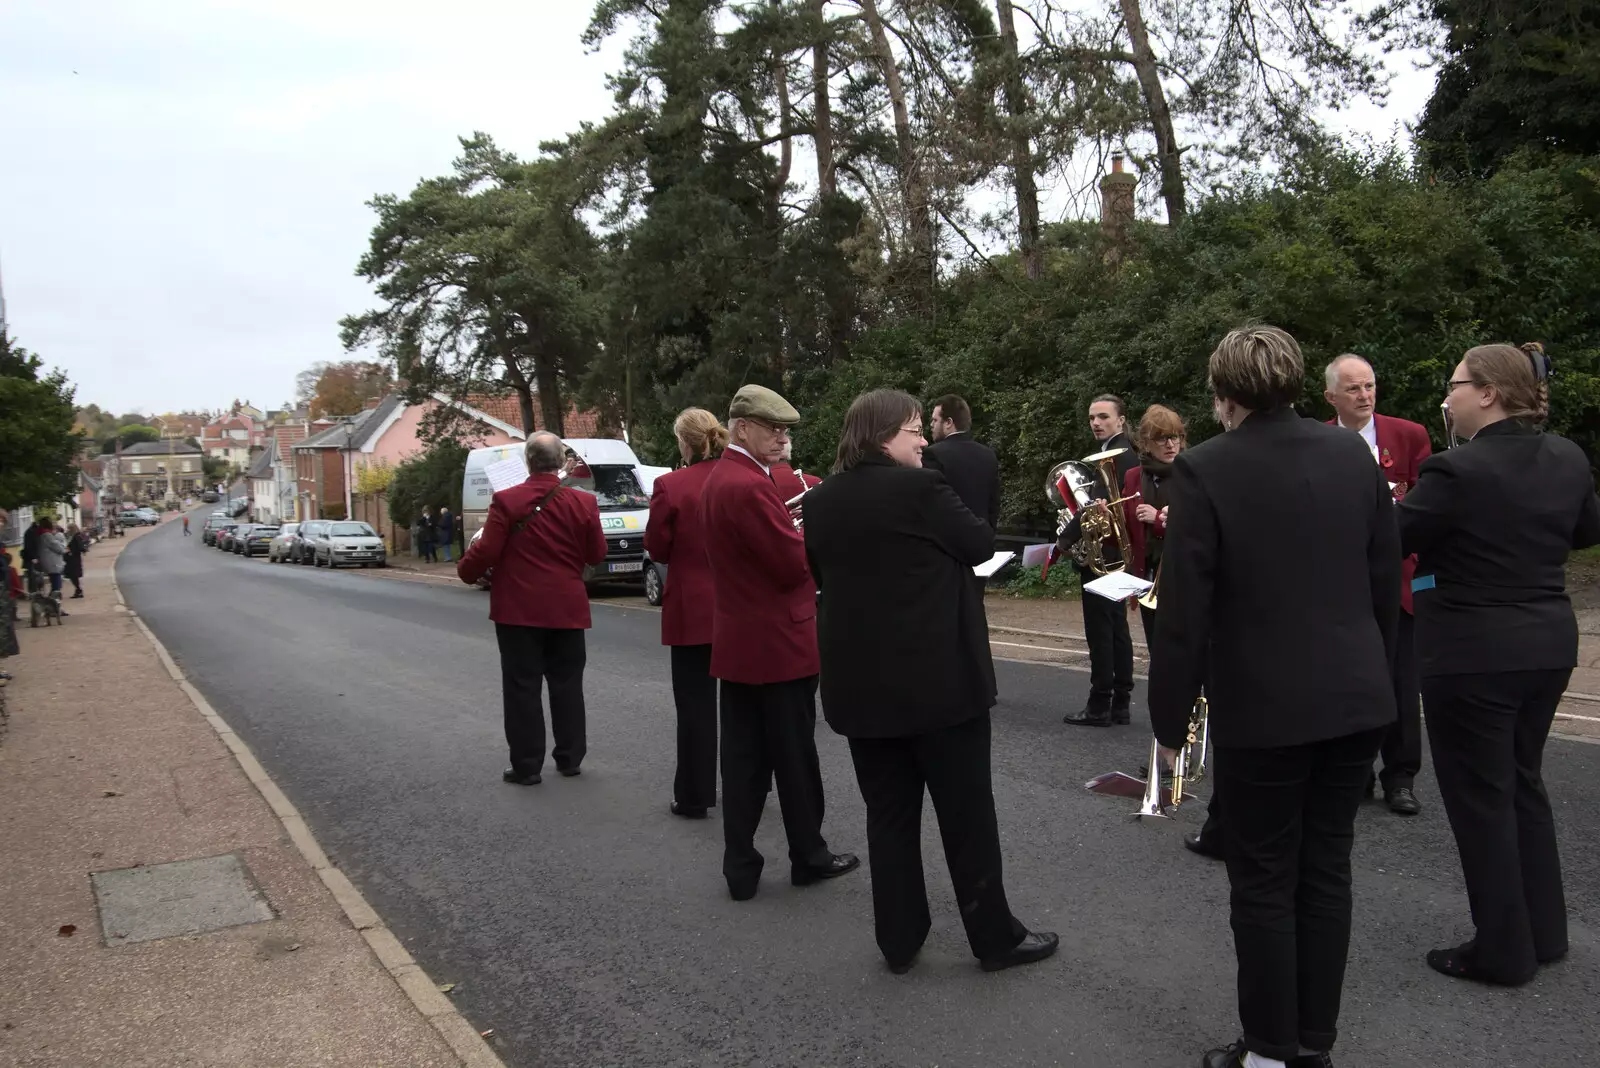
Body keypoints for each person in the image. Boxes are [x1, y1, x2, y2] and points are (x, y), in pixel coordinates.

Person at [1150, 325, 1400, 1068]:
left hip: (1264, 706)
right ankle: (1313, 1043)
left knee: (1263, 878)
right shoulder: (1351, 458)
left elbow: (1185, 612)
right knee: (1326, 870)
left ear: (1224, 393)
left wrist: (1170, 724)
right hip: (1355, 694)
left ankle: (1267, 1049)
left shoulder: (1204, 469)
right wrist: (1378, 680)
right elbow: (1383, 581)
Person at [805, 389, 1058, 975]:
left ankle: (898, 939)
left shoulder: (819, 503)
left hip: (863, 690)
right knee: (967, 816)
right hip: (941, 686)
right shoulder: (921, 489)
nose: (924, 441)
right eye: (915, 430)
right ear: (883, 435)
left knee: (888, 817)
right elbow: (977, 544)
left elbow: (825, 576)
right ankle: (994, 937)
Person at [1399, 342, 1598, 986]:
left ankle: (1503, 951)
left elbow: (1392, 537)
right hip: (1548, 643)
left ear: (1487, 392)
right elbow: (1585, 529)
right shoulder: (1566, 455)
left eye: (1453, 386)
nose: (1447, 399)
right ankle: (1545, 932)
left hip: (1471, 653)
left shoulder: (1456, 473)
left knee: (1482, 799)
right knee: (1523, 785)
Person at [700, 384, 858, 901]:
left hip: (741, 641)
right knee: (794, 759)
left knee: (743, 760)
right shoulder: (747, 483)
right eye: (774, 429)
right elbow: (790, 564)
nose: (782, 438)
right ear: (743, 427)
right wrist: (809, 531)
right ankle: (808, 856)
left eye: (786, 430)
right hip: (778, 641)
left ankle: (740, 866)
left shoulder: (726, 478)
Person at [458, 432, 607, 784]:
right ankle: (570, 758)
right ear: (559, 462)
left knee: (522, 686)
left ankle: (527, 765)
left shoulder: (507, 500)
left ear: (528, 461)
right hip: (567, 608)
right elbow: (597, 555)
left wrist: (466, 570)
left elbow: (487, 552)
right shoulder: (583, 503)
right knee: (568, 684)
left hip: (518, 609)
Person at [1325, 353, 1432, 817]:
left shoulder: (1408, 436)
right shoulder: (1319, 442)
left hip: (1399, 582)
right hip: (1340, 583)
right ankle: (1356, 772)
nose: (1364, 395)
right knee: (1345, 680)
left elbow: (1428, 506)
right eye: (1353, 389)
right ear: (1332, 397)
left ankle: (1401, 776)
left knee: (1402, 683)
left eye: (1369, 386)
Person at [644, 408, 727, 819]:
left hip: (691, 607)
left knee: (694, 706)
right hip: (737, 603)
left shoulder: (670, 485)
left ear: (686, 442)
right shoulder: (745, 478)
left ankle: (695, 794)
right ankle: (749, 785)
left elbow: (657, 548)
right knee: (741, 705)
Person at [1059, 394, 1139, 726]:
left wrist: (1065, 538)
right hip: (1115, 554)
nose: (1096, 422)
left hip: (1104, 556)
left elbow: (1094, 506)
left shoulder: (1117, 455)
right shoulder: (1120, 453)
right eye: (1092, 417)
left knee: (1101, 630)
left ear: (1121, 420)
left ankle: (1099, 704)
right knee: (1116, 627)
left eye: (1103, 417)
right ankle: (1120, 701)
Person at [922, 394, 1001, 534]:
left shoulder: (933, 455)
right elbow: (993, 506)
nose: (931, 425)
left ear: (948, 422)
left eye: (935, 420)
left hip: (946, 545)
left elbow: (929, 506)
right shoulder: (988, 455)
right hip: (979, 544)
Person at [36, 519, 68, 607]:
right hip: (53, 564)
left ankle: (51, 606)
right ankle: (52, 606)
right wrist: (62, 544)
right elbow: (60, 549)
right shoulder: (47, 536)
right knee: (56, 587)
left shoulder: (42, 535)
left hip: (51, 564)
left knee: (56, 586)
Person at [63, 523, 88, 599]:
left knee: (74, 575)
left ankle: (78, 590)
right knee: (73, 576)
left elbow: (80, 547)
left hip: (74, 559)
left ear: (72, 529)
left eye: (69, 528)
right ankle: (78, 590)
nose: (68, 530)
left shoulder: (76, 536)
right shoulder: (73, 536)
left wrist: (71, 552)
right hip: (72, 558)